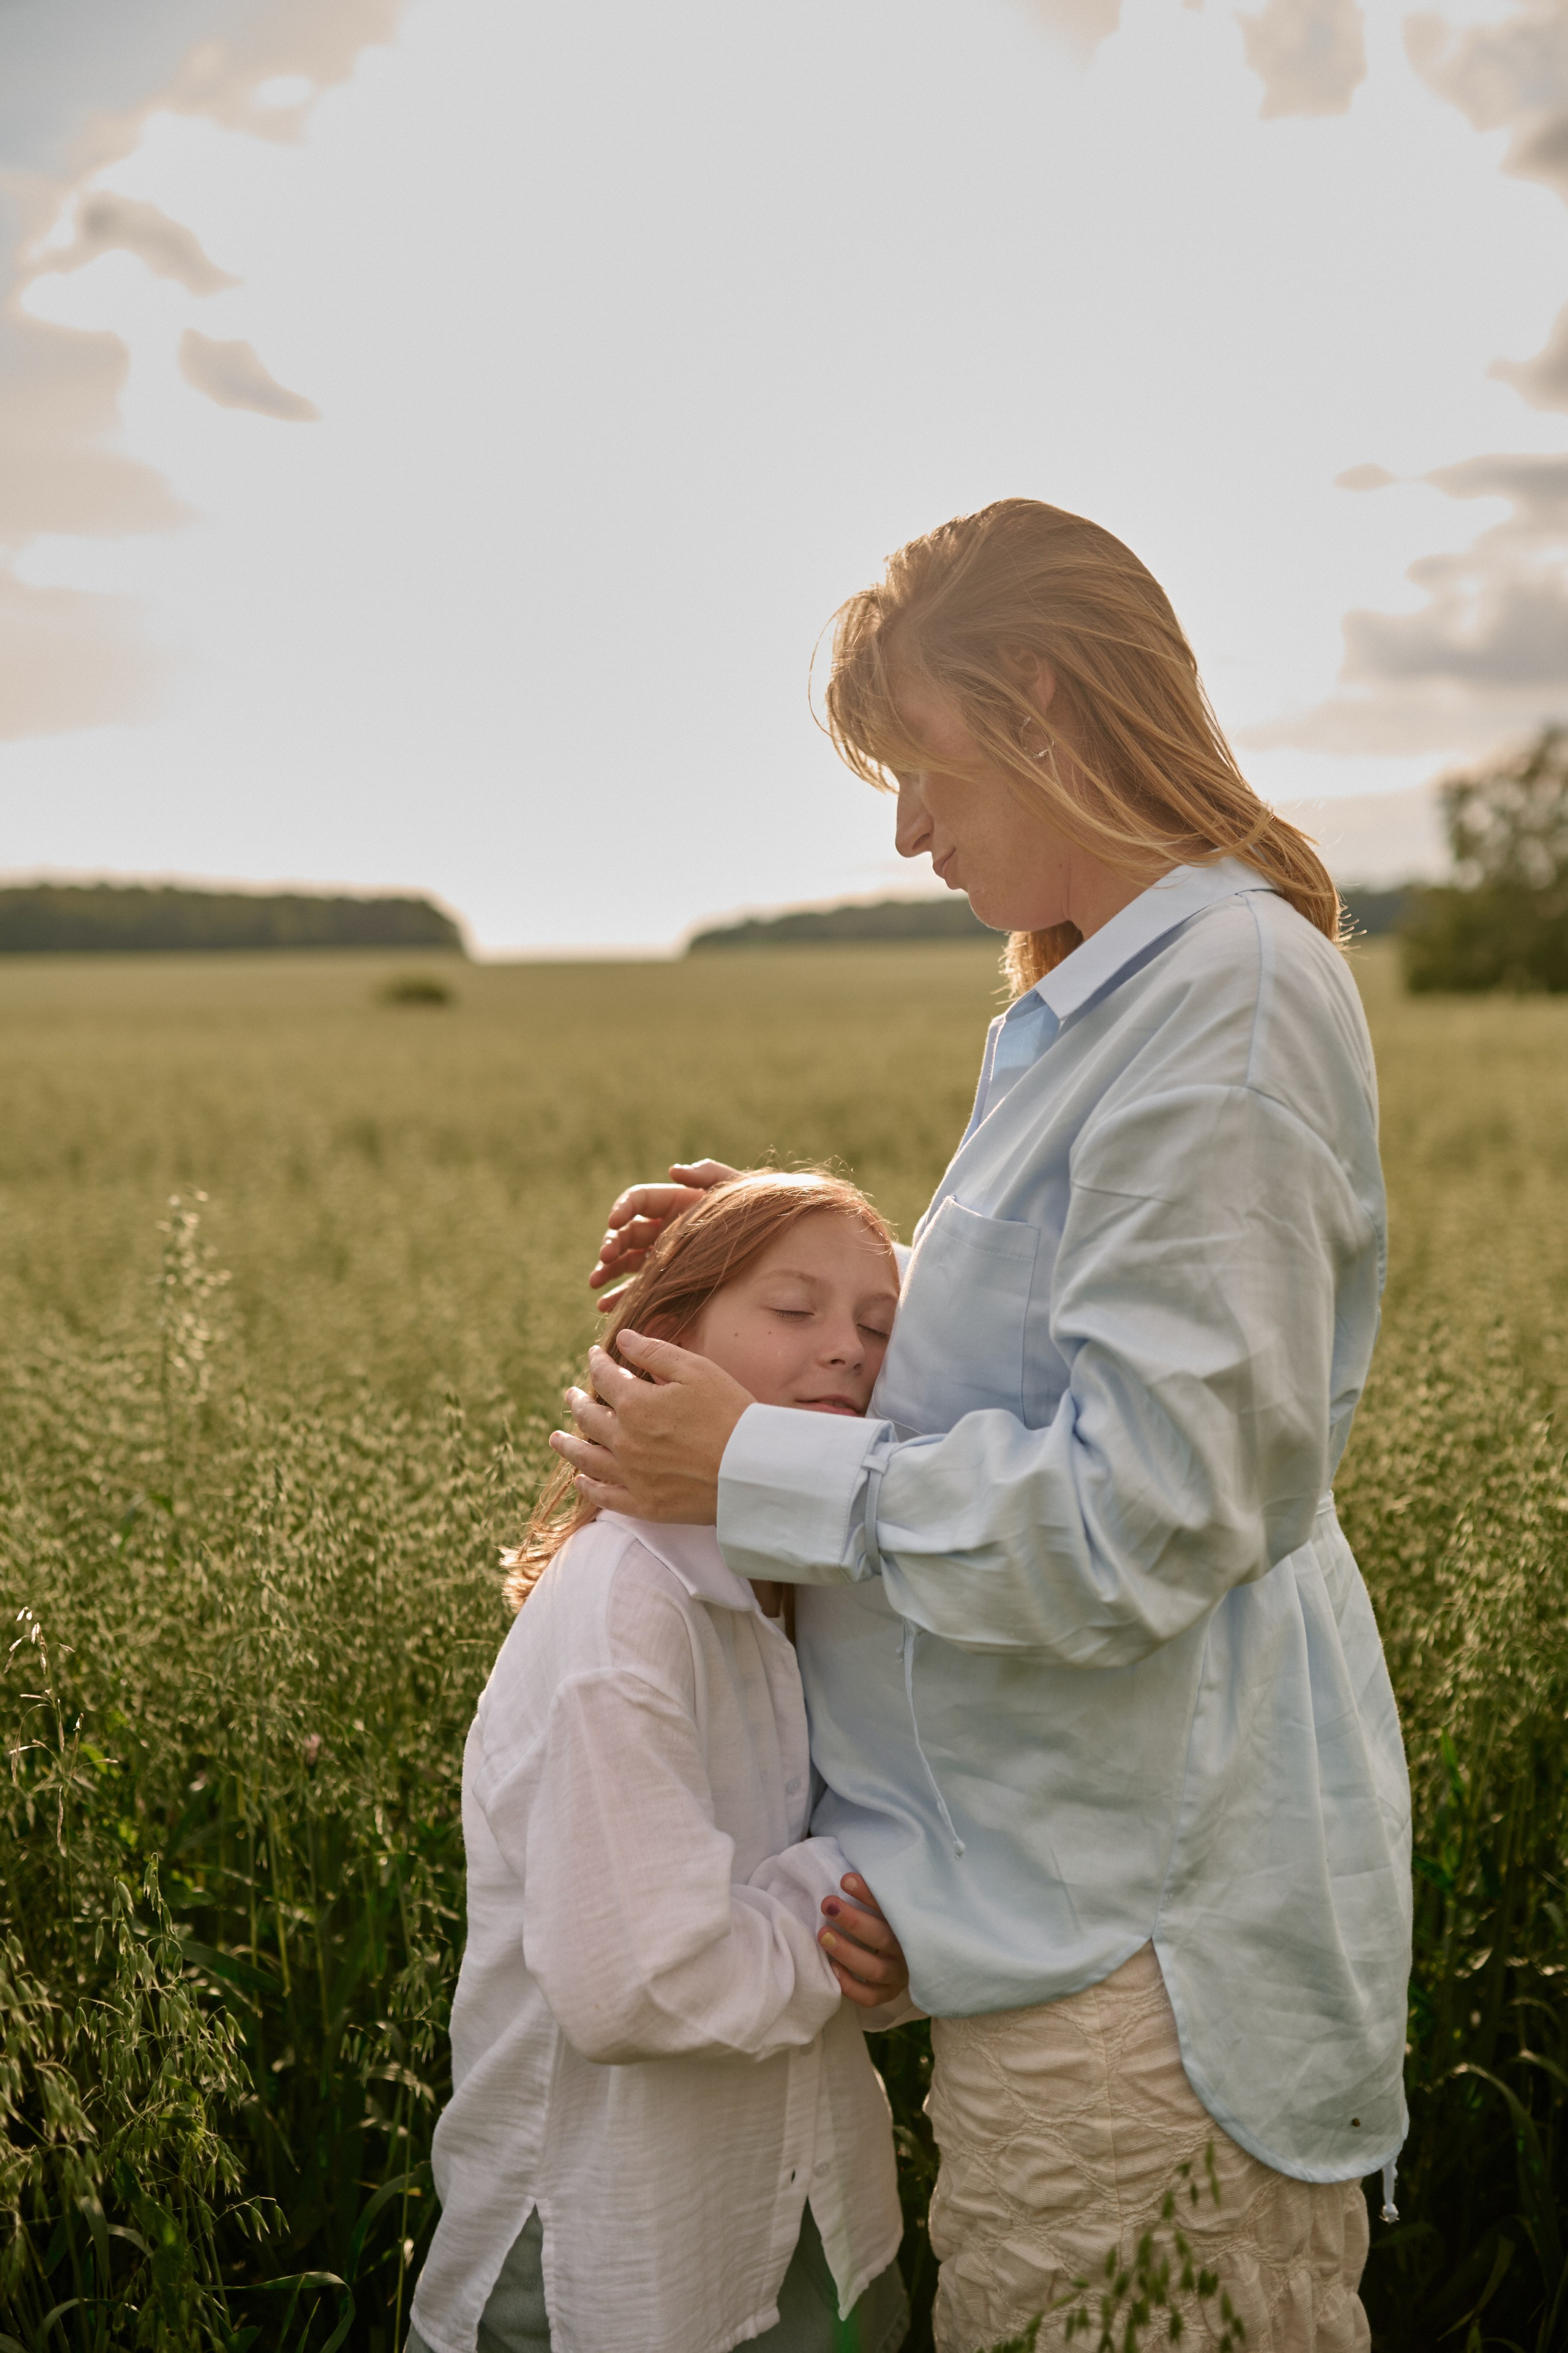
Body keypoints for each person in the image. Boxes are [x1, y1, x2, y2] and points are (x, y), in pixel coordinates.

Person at [554, 499, 1413, 2352]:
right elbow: (1034, 1373)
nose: (906, 828)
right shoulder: (1093, 1002)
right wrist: (768, 1254)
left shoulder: (1228, 1002)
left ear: (1036, 697)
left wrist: (738, 1469)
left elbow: (1152, 1511)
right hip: (1041, 1925)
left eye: (919, 764)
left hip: (1141, 1966)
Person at [407, 1172, 914, 2353]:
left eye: (880, 1327)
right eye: (793, 1311)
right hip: (613, 2257)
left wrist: (893, 1956)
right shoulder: (624, 1610)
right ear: (663, 1347)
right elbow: (641, 1980)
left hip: (819, 2227)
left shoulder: (817, 1593)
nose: (846, 1349)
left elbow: (874, 1922)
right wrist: (848, 1891)